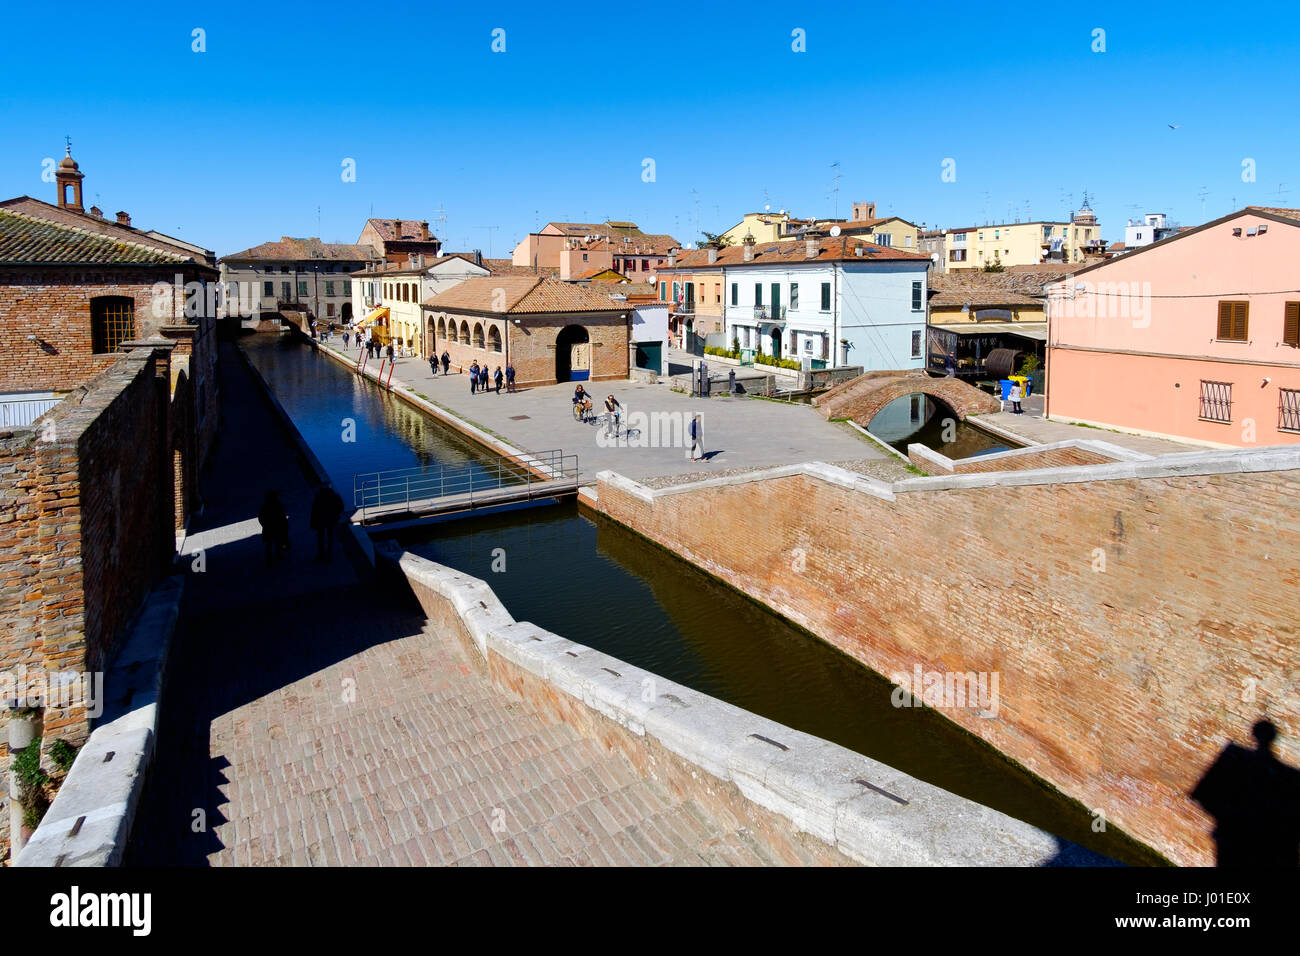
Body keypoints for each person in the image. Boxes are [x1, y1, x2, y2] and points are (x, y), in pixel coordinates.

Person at [309, 482, 345, 561]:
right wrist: (336, 514)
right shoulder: (335, 496)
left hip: (320, 520)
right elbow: (341, 507)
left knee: (320, 537)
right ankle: (329, 555)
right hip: (331, 519)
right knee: (330, 537)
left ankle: (321, 554)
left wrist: (312, 522)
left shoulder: (318, 497)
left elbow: (314, 510)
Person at [257, 490, 289, 567]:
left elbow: (260, 517)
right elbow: (282, 516)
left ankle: (269, 559)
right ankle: (278, 555)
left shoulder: (265, 505)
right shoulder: (278, 504)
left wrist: (264, 525)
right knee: (277, 542)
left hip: (269, 528)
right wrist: (285, 525)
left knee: (270, 544)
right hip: (277, 527)